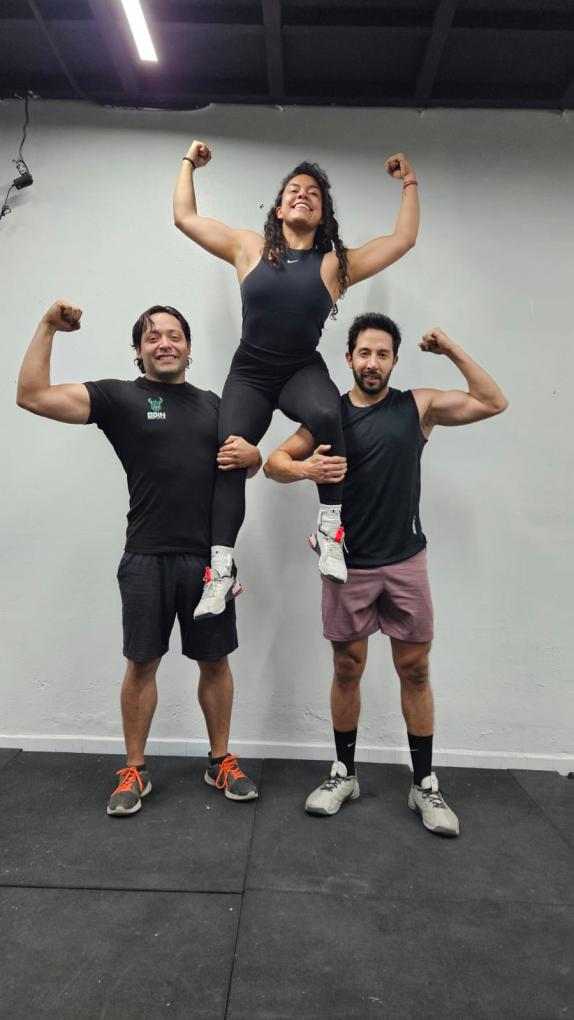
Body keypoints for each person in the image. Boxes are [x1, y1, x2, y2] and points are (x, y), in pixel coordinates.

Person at [264, 313, 508, 836]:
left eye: (382, 354)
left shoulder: (417, 407)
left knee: (415, 670)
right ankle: (344, 774)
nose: (372, 362)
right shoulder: (328, 415)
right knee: (347, 667)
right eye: (364, 353)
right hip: (346, 564)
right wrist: (306, 469)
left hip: (405, 562)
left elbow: (493, 402)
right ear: (349, 358)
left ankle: (424, 784)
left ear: (394, 361)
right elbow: (274, 463)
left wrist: (450, 349)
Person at [16, 300, 262, 816]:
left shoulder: (215, 405)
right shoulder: (120, 398)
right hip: (146, 556)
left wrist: (255, 456)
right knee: (142, 663)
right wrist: (47, 327)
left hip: (208, 563)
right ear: (138, 351)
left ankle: (220, 760)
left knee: (215, 661)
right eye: (152, 337)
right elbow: (32, 396)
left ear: (189, 348)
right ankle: (135, 770)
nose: (164, 343)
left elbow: (242, 464)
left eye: (174, 335)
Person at [173, 142, 419, 615]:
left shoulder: (334, 265)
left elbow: (402, 240)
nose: (303, 194)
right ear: (280, 208)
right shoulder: (249, 248)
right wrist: (189, 164)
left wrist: (409, 182)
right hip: (250, 372)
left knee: (328, 412)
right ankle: (221, 570)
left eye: (313, 192)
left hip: (299, 369)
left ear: (322, 214)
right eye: (294, 190)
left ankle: (329, 530)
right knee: (229, 454)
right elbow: (185, 217)